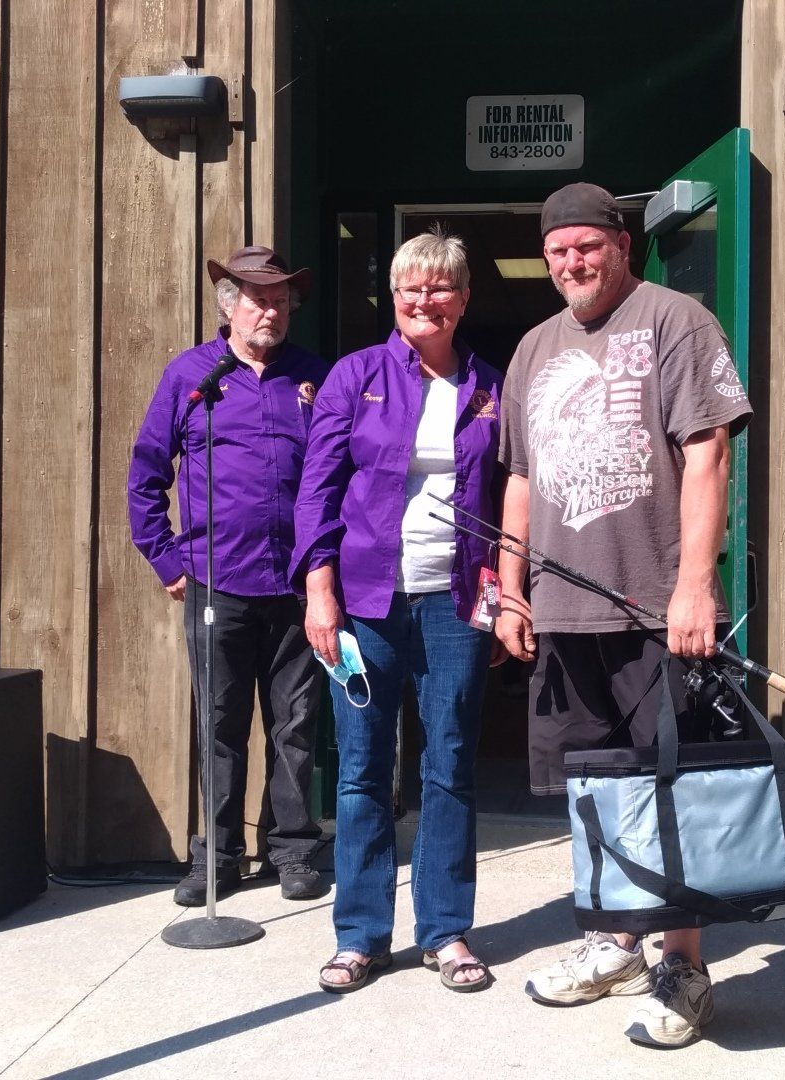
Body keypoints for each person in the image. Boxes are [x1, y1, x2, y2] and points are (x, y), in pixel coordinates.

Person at [495, 183, 751, 1048]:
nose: (572, 262)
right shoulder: (534, 347)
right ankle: (614, 944)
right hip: (564, 609)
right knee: (595, 792)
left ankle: (683, 966)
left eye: (587, 246)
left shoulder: (676, 321)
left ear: (620, 245)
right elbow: (520, 477)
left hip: (654, 608)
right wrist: (511, 586)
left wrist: (695, 585)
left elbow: (709, 452)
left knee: (669, 792)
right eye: (558, 251)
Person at [293, 228, 505, 994]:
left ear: (464, 298)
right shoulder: (356, 376)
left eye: (441, 286)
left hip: (455, 601)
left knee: (448, 766)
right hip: (365, 605)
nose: (426, 299)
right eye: (412, 287)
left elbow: (508, 497)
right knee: (360, 772)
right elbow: (317, 489)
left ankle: (446, 932)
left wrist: (503, 598)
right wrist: (320, 592)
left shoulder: (488, 386)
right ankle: (361, 935)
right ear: (393, 296)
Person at [128, 245, 329, 907]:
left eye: (280, 301)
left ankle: (293, 851)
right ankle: (216, 859)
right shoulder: (192, 375)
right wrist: (166, 558)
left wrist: (329, 567)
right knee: (219, 726)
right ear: (229, 306)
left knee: (295, 725)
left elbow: (339, 476)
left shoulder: (313, 377)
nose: (270, 312)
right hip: (218, 582)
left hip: (296, 586)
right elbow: (146, 473)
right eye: (258, 300)